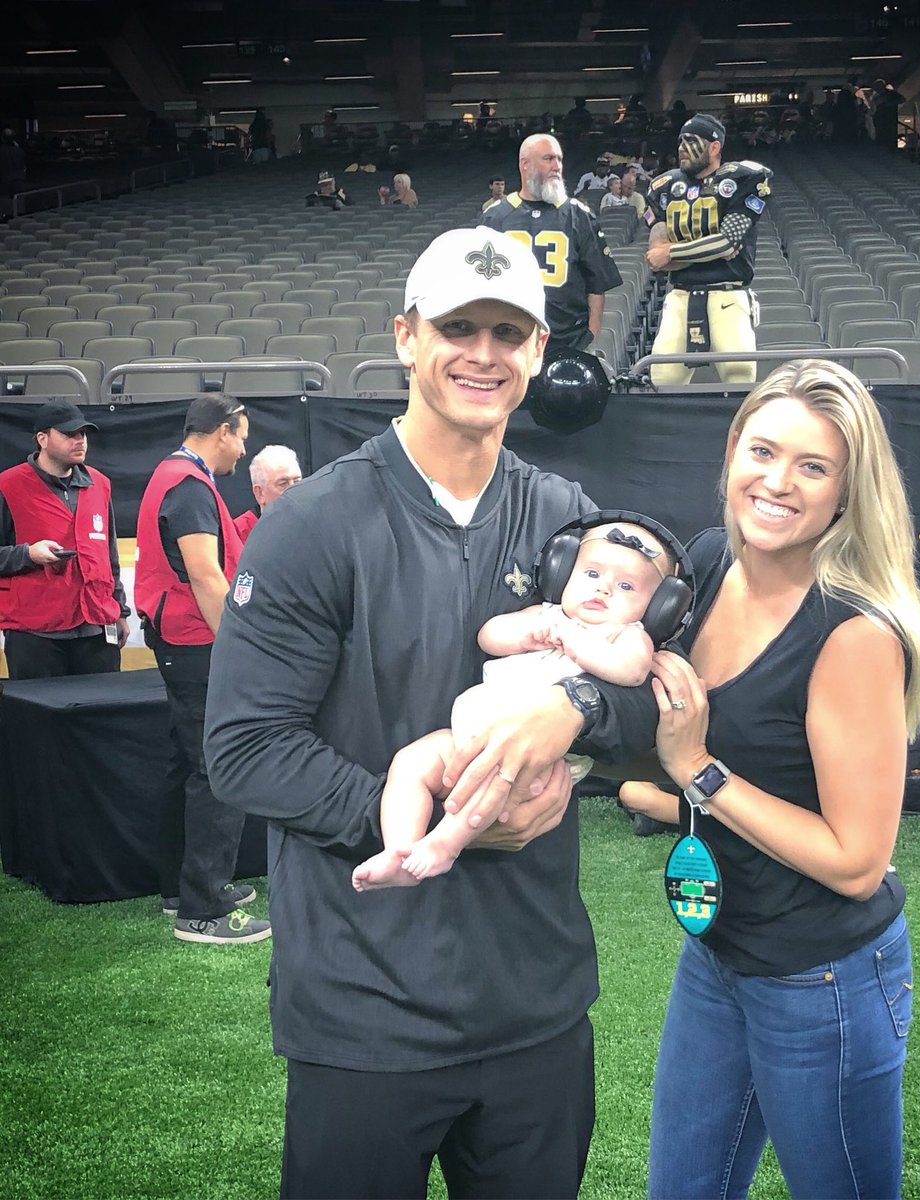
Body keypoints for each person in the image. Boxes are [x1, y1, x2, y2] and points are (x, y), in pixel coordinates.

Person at [203, 226, 658, 1199]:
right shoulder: (309, 525)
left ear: (540, 351)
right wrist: (445, 821)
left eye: (509, 331)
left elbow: (653, 699)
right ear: (407, 336)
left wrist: (574, 712)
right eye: (458, 326)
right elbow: (244, 750)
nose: (484, 353)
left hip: (534, 1007)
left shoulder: (566, 515)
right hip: (365, 1014)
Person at [620, 359, 920, 1200]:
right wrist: (637, 778)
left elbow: (856, 860)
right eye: (763, 451)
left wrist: (697, 772)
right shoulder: (711, 559)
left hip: (822, 977)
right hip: (719, 954)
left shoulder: (852, 634)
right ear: (731, 452)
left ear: (845, 492)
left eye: (813, 467)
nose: (778, 483)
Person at [353, 519, 673, 888]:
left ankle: (445, 844)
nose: (603, 588)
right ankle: (399, 849)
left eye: (626, 586)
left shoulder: (627, 635)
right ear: (562, 572)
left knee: (491, 786)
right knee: (410, 763)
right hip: (469, 736)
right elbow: (489, 636)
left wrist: (577, 643)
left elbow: (632, 671)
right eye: (591, 573)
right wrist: (526, 636)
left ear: (656, 608)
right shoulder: (547, 614)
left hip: (535, 758)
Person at [134, 394, 267, 944]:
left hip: (180, 639)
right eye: (241, 435)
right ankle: (204, 910)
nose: (243, 446)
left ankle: (180, 889)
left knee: (189, 765)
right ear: (220, 432)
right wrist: (235, 646)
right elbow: (207, 577)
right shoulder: (188, 485)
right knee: (216, 769)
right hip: (196, 642)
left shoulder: (176, 477)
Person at [0, 401, 129, 679]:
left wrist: (120, 610)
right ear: (42, 439)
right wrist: (27, 554)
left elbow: (109, 554)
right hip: (35, 633)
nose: (80, 440)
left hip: (96, 626)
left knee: (99, 715)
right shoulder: (7, 486)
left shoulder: (99, 484)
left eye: (83, 434)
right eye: (69, 434)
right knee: (37, 720)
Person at [643, 113, 773, 386]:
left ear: (715, 147)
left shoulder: (742, 179)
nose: (681, 148)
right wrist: (707, 249)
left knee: (739, 376)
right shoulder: (664, 187)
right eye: (680, 141)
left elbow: (728, 241)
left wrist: (674, 252)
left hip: (728, 293)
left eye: (691, 140)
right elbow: (656, 256)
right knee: (663, 377)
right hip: (680, 295)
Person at [481, 133, 623, 357]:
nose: (557, 166)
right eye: (548, 158)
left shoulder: (580, 215)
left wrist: (591, 334)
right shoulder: (495, 217)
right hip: (508, 343)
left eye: (559, 159)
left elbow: (597, 284)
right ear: (525, 164)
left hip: (568, 342)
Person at [232, 444, 303, 543]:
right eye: (283, 484)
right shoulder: (237, 534)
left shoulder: (313, 525)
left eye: (297, 482)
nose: (293, 490)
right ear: (260, 493)